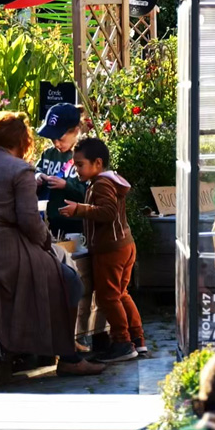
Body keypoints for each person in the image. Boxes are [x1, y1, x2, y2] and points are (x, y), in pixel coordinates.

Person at [0, 112, 104, 376]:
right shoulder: (20, 169)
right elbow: (29, 221)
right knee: (70, 280)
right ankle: (67, 356)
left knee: (56, 274)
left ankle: (51, 349)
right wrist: (47, 242)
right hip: (5, 249)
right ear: (20, 141)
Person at [60, 137, 145, 363]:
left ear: (97, 163)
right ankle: (137, 339)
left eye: (79, 164)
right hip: (124, 244)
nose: (76, 169)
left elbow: (107, 212)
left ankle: (122, 342)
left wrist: (79, 209)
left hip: (110, 249)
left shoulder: (102, 184)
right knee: (121, 294)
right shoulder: (107, 181)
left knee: (108, 297)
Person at [35, 103, 88, 240]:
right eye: (52, 139)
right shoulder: (49, 154)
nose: (56, 144)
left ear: (76, 131)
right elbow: (36, 169)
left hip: (78, 222)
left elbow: (92, 191)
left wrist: (66, 185)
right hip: (52, 219)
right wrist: (38, 176)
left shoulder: (86, 156)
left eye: (60, 138)